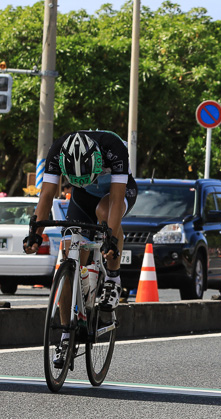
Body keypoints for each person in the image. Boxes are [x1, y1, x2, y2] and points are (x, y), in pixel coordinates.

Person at [23, 130, 137, 365]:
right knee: (69, 251)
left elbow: (116, 200)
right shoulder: (57, 151)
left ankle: (113, 279)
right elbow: (45, 196)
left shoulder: (113, 148)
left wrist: (111, 239)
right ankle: (66, 333)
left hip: (114, 194)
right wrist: (34, 235)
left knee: (104, 214)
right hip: (82, 195)